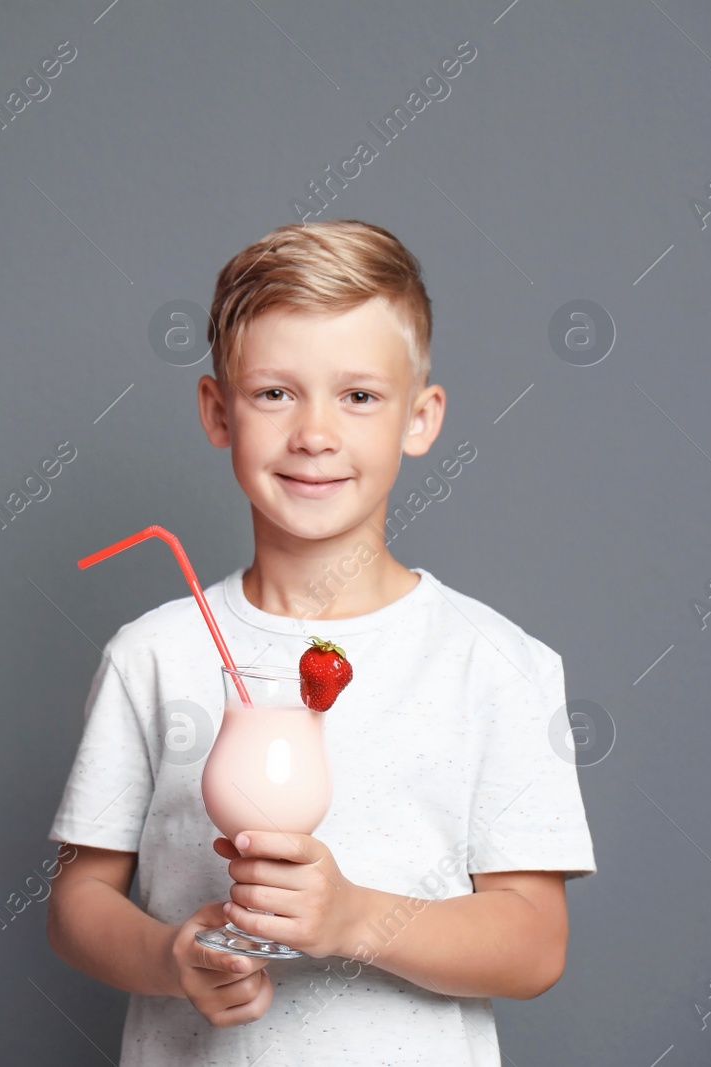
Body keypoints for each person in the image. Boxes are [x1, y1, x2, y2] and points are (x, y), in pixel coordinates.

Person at [44, 218, 596, 1066]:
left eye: (360, 395)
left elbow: (533, 944)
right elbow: (79, 899)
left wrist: (350, 917)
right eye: (275, 392)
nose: (314, 433)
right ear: (216, 411)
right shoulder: (152, 655)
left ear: (421, 417)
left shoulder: (495, 664)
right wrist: (167, 957)